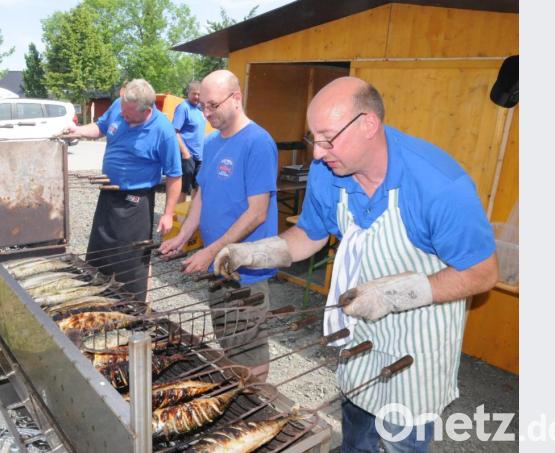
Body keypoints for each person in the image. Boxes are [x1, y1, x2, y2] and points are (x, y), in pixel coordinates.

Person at [212, 76, 499, 451]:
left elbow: (483, 272)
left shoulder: (437, 184)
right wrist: (250, 252)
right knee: (356, 437)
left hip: (418, 344)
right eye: (313, 138)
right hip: (360, 331)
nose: (317, 152)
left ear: (368, 124)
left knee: (401, 444)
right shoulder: (329, 171)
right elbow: (309, 236)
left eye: (328, 138)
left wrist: (396, 294)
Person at [159, 70, 279, 383]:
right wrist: (183, 236)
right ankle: (237, 390)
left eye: (213, 106)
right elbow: (202, 193)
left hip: (246, 266)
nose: (207, 113)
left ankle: (254, 402)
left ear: (236, 98)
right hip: (219, 262)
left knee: (248, 343)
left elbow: (257, 213)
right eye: (203, 107)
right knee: (228, 336)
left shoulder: (258, 143)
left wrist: (210, 251)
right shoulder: (212, 143)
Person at [65, 79, 182, 301]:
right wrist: (78, 130)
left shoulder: (162, 131)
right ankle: (97, 301)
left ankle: (131, 309)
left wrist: (168, 213)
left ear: (147, 110)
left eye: (129, 114)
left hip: (136, 202)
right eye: (122, 111)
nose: (123, 116)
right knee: (100, 255)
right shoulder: (121, 105)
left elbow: (175, 175)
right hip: (108, 194)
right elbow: (100, 127)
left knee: (131, 261)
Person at [172, 80, 205, 203]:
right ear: (188, 93)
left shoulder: (200, 109)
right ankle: (176, 219)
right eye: (194, 93)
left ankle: (191, 218)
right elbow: (174, 131)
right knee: (183, 189)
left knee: (198, 187)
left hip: (200, 156)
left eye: (199, 94)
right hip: (186, 156)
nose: (196, 97)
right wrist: (185, 153)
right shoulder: (183, 107)